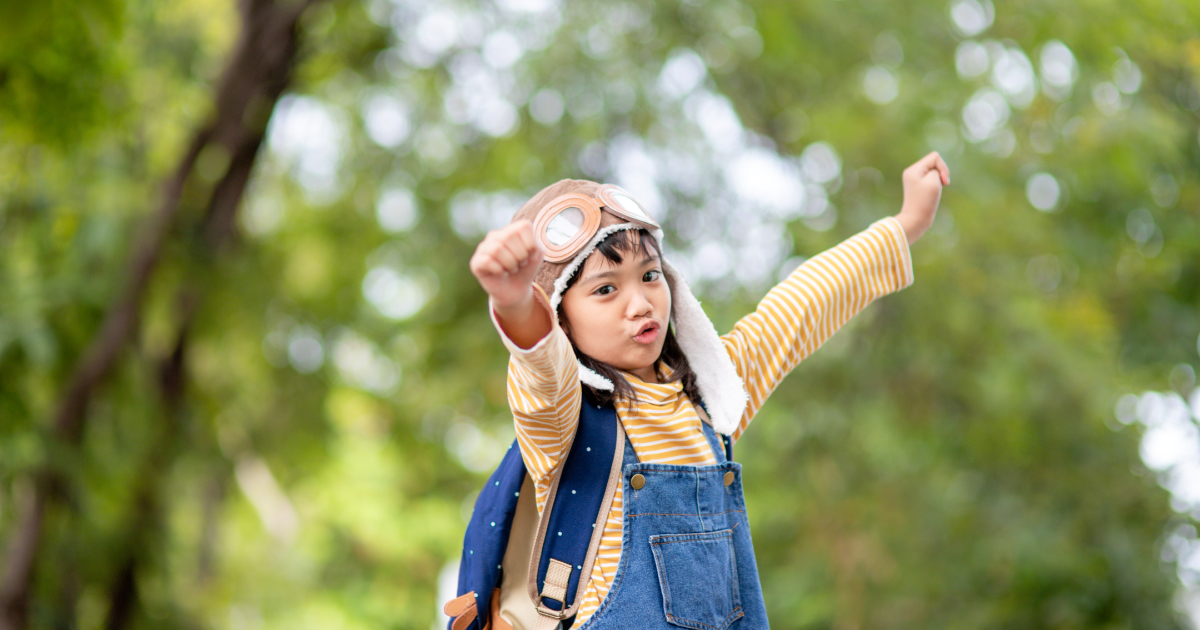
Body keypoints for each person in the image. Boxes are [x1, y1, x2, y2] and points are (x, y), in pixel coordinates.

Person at [463, 152, 949, 629]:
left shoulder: (712, 391)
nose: (640, 303)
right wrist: (514, 302)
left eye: (650, 276)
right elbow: (540, 368)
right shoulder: (567, 422)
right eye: (605, 289)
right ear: (561, 318)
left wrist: (906, 224)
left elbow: (803, 304)